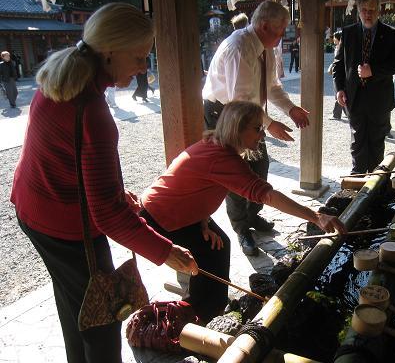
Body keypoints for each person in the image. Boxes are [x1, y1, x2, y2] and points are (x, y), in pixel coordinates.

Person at [10, 3, 198, 363]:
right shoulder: (93, 112)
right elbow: (108, 216)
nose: (145, 67)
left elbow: (64, 159)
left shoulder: (62, 76)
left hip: (34, 207)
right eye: (140, 56)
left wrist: (109, 191)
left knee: (77, 303)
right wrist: (165, 252)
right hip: (62, 225)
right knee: (101, 317)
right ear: (110, 50)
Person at [139, 101, 346, 319]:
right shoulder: (221, 157)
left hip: (180, 211)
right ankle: (200, 314)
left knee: (218, 244)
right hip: (159, 216)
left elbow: (194, 189)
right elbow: (266, 194)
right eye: (257, 129)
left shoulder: (217, 145)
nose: (262, 134)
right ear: (237, 128)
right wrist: (315, 216)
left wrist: (203, 222)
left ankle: (210, 306)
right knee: (208, 252)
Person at [202, 0, 310, 256]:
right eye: (280, 30)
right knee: (236, 172)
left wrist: (291, 109)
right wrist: (269, 125)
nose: (283, 35)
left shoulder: (266, 47)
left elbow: (271, 87)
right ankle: (242, 229)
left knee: (260, 166)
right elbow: (242, 102)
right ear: (263, 26)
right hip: (223, 112)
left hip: (249, 113)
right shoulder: (240, 48)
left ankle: (252, 216)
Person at [332, 0, 395, 174]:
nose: (368, 14)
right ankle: (357, 176)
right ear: (358, 12)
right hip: (354, 96)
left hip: (379, 99)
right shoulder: (348, 33)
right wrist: (339, 89)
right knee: (357, 140)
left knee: (376, 141)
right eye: (364, 10)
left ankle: (375, 179)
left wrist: (373, 71)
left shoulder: (391, 34)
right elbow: (339, 65)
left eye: (372, 10)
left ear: (378, 11)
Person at [328, 31, 345, 120]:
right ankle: (345, 111)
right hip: (339, 73)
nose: (333, 39)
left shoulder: (340, 48)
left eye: (335, 37)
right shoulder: (338, 48)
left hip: (340, 74)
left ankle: (336, 114)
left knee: (338, 92)